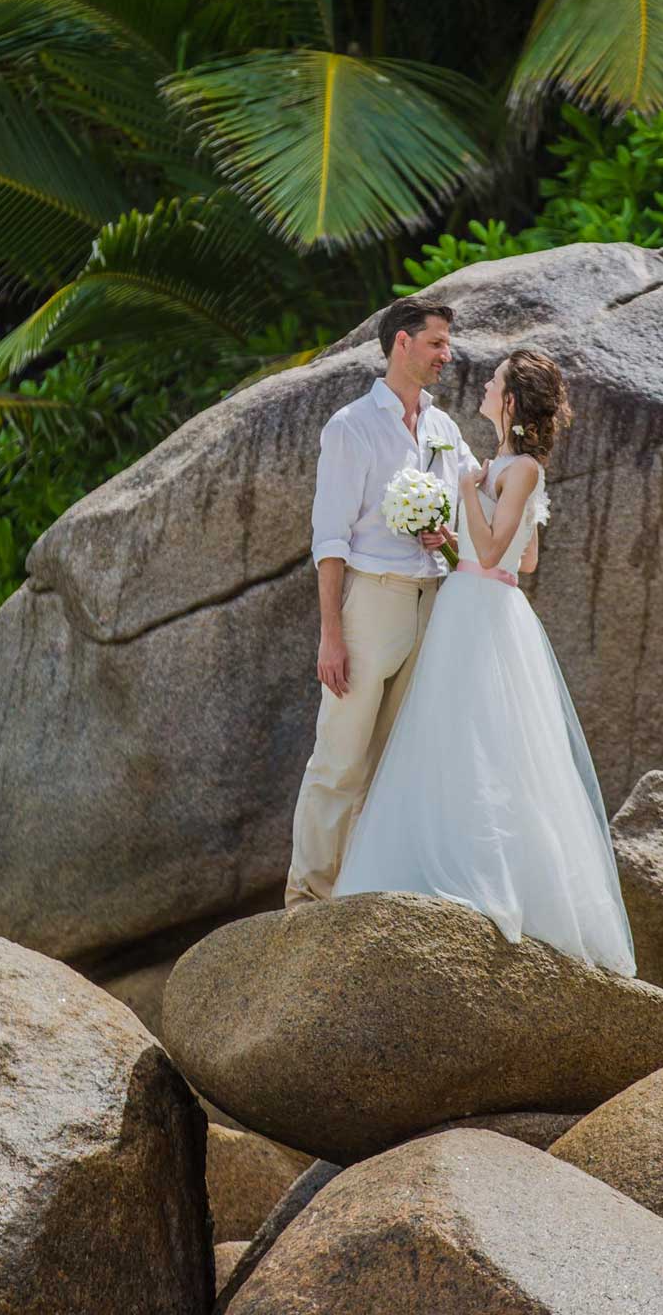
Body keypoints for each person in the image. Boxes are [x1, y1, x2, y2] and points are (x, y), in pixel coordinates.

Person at [332, 346, 637, 974]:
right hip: (465, 600)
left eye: (495, 382)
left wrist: (467, 496)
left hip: (486, 611)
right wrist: (451, 539)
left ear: (512, 400)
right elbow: (514, 554)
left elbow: (505, 553)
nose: (485, 386)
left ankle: (492, 878)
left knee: (492, 742)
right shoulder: (499, 463)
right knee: (449, 737)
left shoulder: (519, 468)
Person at [284, 298, 478, 909]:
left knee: (394, 762)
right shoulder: (350, 427)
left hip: (432, 604)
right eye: (437, 343)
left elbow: (478, 507)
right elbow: (330, 540)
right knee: (340, 758)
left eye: (447, 344)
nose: (447, 355)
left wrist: (452, 539)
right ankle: (308, 897)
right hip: (370, 604)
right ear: (402, 342)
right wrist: (331, 634)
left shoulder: (445, 431)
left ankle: (358, 894)